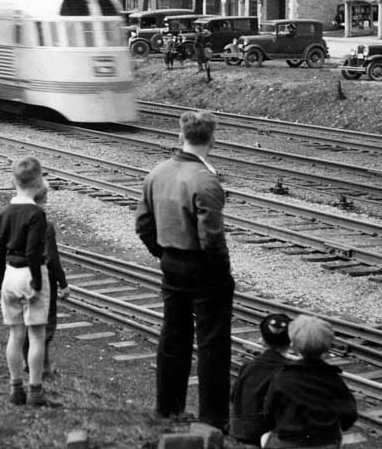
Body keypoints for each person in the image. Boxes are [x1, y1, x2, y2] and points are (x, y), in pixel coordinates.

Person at [135, 110, 233, 431]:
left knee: (173, 335)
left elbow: (143, 225)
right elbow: (212, 239)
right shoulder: (206, 182)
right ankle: (213, 418)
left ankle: (168, 407)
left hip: (171, 265)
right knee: (212, 343)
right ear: (212, 139)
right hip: (203, 269)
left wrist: (162, 254)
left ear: (182, 136)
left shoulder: (157, 173)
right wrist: (222, 273)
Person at [0, 157, 68, 407]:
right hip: (29, 275)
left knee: (15, 335)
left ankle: (16, 389)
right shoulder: (37, 213)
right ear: (38, 182)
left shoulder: (5, 212)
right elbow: (35, 251)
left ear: (13, 181)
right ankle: (35, 391)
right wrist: (37, 280)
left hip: (9, 275)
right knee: (36, 336)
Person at [262, 315, 357, 448]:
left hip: (288, 442)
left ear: (293, 346)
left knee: (265, 438)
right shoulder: (333, 379)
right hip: (325, 443)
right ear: (327, 348)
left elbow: (268, 412)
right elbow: (350, 414)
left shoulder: (282, 376)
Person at [230, 313, 292, 446]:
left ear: (262, 340)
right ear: (290, 342)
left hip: (240, 431)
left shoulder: (248, 366)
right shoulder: (287, 370)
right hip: (264, 434)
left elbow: (233, 396)